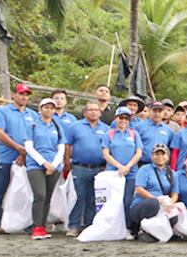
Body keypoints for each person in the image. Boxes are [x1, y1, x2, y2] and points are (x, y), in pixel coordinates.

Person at [0, 82, 36, 231]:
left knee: (26, 191)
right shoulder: (4, 111)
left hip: (27, 158)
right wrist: (18, 148)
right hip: (6, 157)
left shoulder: (32, 115)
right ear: (14, 95)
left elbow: (35, 135)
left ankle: (27, 221)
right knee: (0, 190)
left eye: (26, 95)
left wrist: (26, 152)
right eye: (21, 94)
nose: (24, 97)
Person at [64, 100, 110, 236]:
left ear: (100, 113)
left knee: (93, 199)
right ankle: (74, 225)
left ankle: (90, 225)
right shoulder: (75, 126)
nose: (94, 112)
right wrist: (67, 160)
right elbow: (68, 145)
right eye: (90, 109)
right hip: (79, 166)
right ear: (84, 112)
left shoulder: (106, 129)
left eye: (96, 110)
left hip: (99, 168)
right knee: (77, 197)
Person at [23, 97, 66, 239]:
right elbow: (29, 147)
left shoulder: (57, 126)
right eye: (46, 107)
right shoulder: (32, 125)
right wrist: (43, 163)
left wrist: (53, 165)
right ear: (40, 109)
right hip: (35, 165)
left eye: (52, 108)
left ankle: (42, 227)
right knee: (39, 195)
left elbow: (61, 148)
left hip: (54, 165)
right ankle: (36, 227)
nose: (49, 110)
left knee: (47, 197)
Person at [128, 144, 178, 240]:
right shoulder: (144, 169)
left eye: (163, 154)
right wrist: (157, 199)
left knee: (174, 217)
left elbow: (175, 194)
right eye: (157, 154)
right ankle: (141, 229)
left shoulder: (172, 174)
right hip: (143, 205)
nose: (160, 157)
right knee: (153, 203)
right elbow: (139, 189)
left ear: (168, 157)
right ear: (152, 156)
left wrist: (170, 203)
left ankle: (155, 232)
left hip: (162, 205)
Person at [103, 107, 143, 214]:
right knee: (113, 201)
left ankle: (127, 227)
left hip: (131, 172)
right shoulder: (109, 134)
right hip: (113, 172)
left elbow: (138, 153)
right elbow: (106, 154)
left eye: (126, 118)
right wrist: (120, 167)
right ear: (116, 118)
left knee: (128, 201)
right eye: (121, 117)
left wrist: (127, 166)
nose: (123, 121)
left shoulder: (134, 134)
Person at [136, 102, 173, 167]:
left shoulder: (168, 130)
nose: (157, 114)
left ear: (163, 113)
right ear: (149, 111)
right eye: (154, 111)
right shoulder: (139, 127)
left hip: (161, 166)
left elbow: (171, 149)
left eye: (160, 111)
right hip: (142, 164)